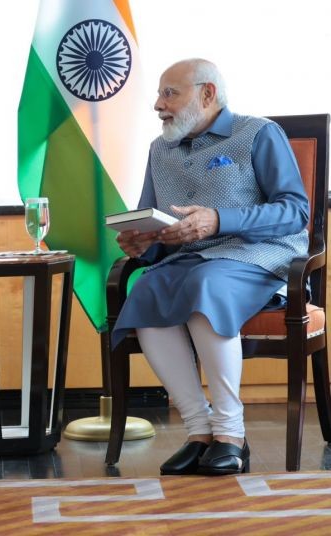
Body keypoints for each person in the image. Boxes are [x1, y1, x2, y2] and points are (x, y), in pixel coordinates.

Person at [112, 58, 309, 476]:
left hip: (259, 255)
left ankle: (231, 434)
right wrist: (141, 244)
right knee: (146, 289)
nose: (158, 104)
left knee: (206, 284)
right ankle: (199, 431)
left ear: (207, 94)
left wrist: (220, 220)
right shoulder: (159, 149)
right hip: (191, 261)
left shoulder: (258, 133)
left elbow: (295, 211)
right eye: (159, 94)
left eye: (170, 93)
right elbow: (152, 220)